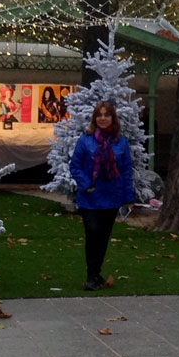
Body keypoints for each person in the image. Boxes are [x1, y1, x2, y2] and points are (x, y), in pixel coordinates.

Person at [70, 100, 135, 291]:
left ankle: (96, 273)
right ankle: (91, 276)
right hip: (90, 198)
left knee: (103, 237)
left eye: (107, 115)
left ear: (113, 118)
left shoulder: (121, 143)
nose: (103, 118)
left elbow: (126, 171)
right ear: (94, 118)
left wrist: (129, 198)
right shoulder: (86, 140)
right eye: (99, 115)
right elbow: (75, 166)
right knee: (92, 234)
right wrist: (87, 184)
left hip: (112, 197)